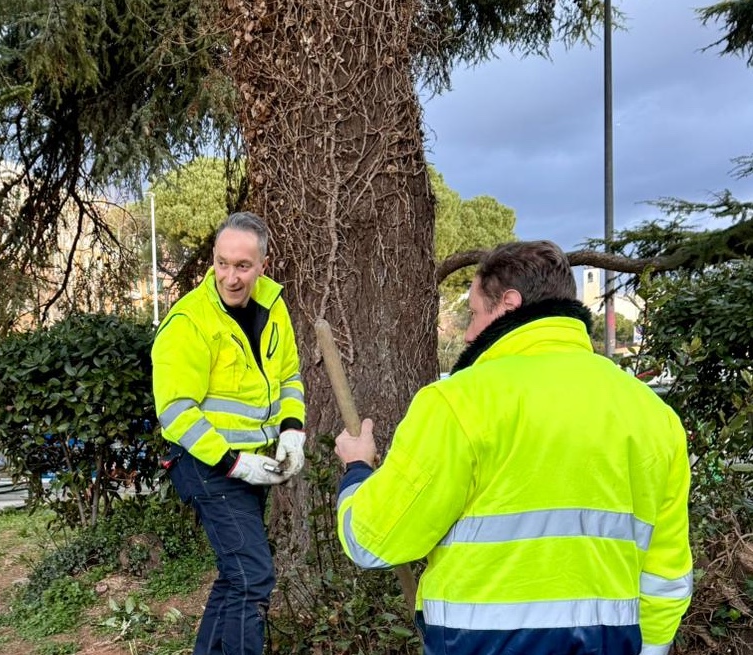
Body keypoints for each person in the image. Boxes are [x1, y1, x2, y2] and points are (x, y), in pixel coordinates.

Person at [333, 240, 692, 655]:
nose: (468, 333)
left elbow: (372, 541)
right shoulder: (651, 413)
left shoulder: (457, 403)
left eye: (473, 313)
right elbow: (666, 575)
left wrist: (357, 469)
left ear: (508, 303)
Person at [152, 211, 306, 655]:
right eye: (222, 263)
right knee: (252, 576)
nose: (231, 277)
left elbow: (290, 377)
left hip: (254, 464)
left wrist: (291, 431)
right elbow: (177, 412)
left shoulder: (274, 307)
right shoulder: (190, 321)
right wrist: (236, 463)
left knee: (235, 575)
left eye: (242, 266)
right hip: (208, 465)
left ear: (263, 265)